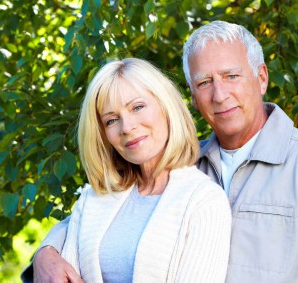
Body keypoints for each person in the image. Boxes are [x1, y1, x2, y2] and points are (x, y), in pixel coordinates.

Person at [23, 21, 298, 283]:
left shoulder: (292, 162)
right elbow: (91, 223)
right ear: (191, 95)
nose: (219, 95)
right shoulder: (184, 163)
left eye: (232, 76)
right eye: (204, 83)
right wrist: (45, 253)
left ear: (262, 78)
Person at [23, 57, 232, 282]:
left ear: (166, 106)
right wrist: (44, 253)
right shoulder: (93, 198)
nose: (127, 127)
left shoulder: (204, 200)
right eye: (111, 120)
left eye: (138, 107)